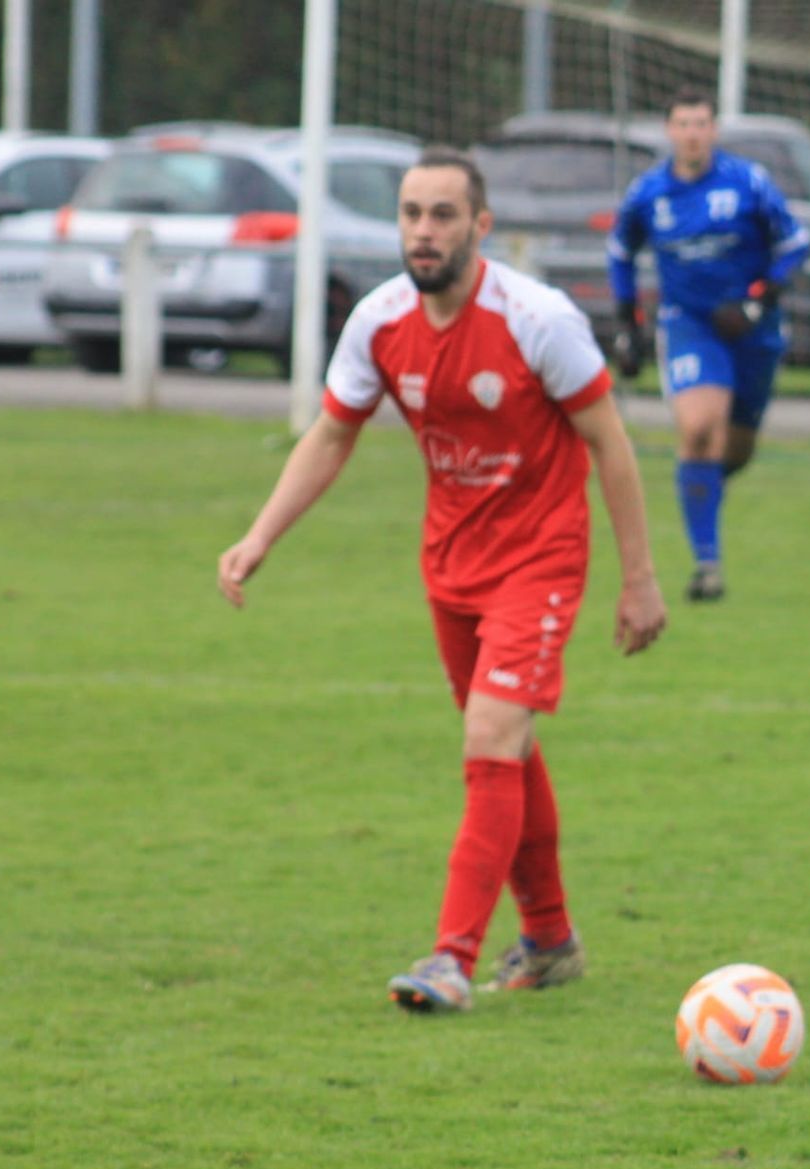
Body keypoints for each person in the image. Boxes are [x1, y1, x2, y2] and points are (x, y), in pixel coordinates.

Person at [217, 147, 667, 1012]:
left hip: (539, 560)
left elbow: (610, 442)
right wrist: (260, 534)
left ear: (480, 226)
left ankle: (449, 958)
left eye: (443, 215)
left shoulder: (539, 318)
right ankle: (549, 939)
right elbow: (331, 433)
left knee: (492, 740)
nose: (424, 232)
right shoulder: (380, 321)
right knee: (508, 748)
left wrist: (639, 579)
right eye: (412, 214)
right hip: (450, 569)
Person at [606, 87, 810, 602]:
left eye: (701, 123)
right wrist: (628, 324)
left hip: (753, 331)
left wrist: (757, 301)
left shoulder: (747, 183)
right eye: (683, 124)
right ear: (669, 131)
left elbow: (794, 245)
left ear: (713, 131)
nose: (692, 133)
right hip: (689, 324)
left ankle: (700, 489)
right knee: (699, 429)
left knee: (733, 449)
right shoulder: (648, 193)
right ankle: (707, 565)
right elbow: (619, 253)